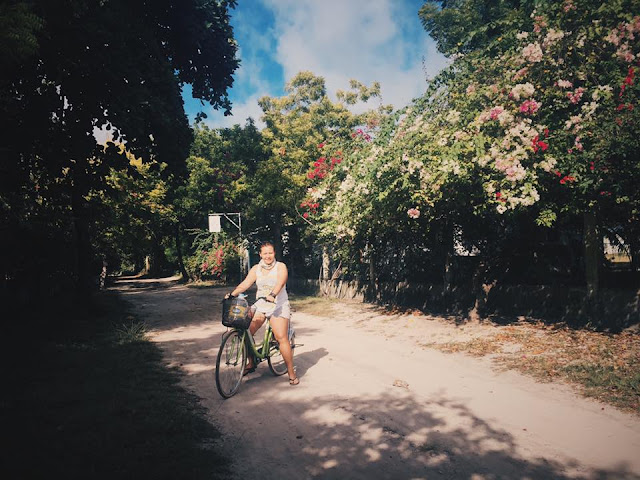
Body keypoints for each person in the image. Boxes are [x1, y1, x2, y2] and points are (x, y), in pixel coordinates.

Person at [226, 242, 299, 385]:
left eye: (270, 253)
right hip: (261, 305)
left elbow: (281, 282)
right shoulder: (256, 269)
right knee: (245, 331)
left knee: (281, 337)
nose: (268, 256)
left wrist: (273, 294)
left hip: (278, 305)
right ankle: (251, 362)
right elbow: (246, 283)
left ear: (274, 253)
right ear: (260, 254)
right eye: (265, 253)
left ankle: (291, 373)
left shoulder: (280, 267)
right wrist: (231, 294)